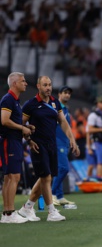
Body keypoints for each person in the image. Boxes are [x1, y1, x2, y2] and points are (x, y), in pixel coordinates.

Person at [18, 76, 79, 222]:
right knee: (46, 177)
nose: (48, 88)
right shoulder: (30, 104)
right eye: (45, 85)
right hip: (38, 145)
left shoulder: (54, 102)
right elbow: (21, 125)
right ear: (38, 86)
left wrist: (72, 139)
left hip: (52, 145)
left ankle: (27, 207)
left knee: (46, 177)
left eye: (50, 85)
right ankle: (51, 211)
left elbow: (63, 122)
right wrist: (29, 140)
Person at [0, 72, 31, 223]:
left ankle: (6, 214)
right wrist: (22, 128)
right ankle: (10, 212)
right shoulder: (8, 99)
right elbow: (4, 121)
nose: (25, 83)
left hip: (14, 140)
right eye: (23, 81)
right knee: (13, 177)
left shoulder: (15, 101)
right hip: (9, 141)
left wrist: (25, 127)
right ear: (14, 83)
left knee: (9, 178)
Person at [52, 86, 76, 206]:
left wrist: (71, 141)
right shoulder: (55, 107)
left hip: (64, 142)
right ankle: (51, 194)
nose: (67, 95)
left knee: (59, 169)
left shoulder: (65, 109)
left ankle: (59, 196)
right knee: (63, 168)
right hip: (57, 141)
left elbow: (68, 128)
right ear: (59, 94)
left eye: (69, 93)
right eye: (65, 93)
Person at [87, 96, 102, 180]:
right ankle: (100, 179)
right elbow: (89, 129)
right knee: (101, 162)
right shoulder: (93, 115)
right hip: (99, 142)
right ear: (97, 104)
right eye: (101, 102)